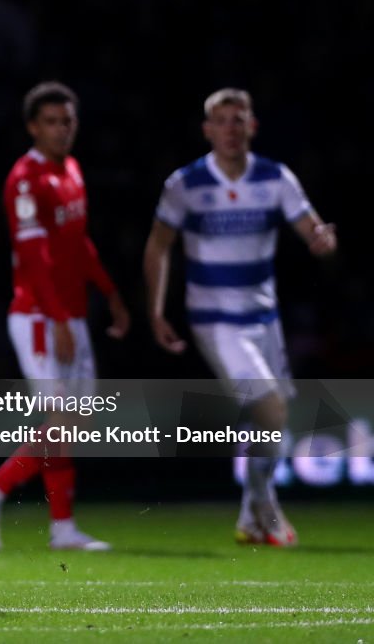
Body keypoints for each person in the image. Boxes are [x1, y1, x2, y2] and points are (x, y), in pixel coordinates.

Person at [143, 87, 336, 546]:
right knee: (271, 410)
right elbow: (158, 246)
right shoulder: (185, 184)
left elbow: (312, 227)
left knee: (270, 418)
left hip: (265, 320)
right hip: (215, 321)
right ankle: (265, 506)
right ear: (208, 130)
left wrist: (322, 240)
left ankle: (251, 516)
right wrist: (155, 310)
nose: (231, 129)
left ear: (252, 126)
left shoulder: (274, 178)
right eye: (222, 121)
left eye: (239, 119)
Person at [0, 81, 129, 551]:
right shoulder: (26, 179)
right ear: (33, 126)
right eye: (52, 122)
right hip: (39, 316)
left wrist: (110, 292)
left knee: (75, 421)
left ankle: (61, 527)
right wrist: (56, 319)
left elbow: (78, 244)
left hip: (69, 313)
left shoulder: (71, 170)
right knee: (62, 419)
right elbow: (34, 257)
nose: (61, 130)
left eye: (68, 121)